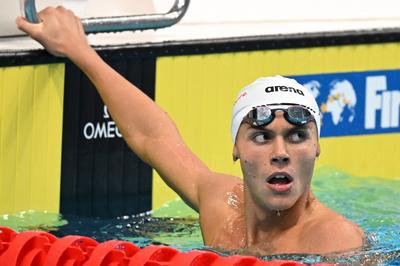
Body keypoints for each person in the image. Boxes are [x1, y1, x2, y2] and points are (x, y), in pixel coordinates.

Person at [16, 6, 365, 255]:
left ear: (317, 146)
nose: (280, 151)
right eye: (261, 136)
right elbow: (153, 137)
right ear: (236, 148)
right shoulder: (221, 204)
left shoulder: (334, 241)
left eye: (297, 136)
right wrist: (79, 51)